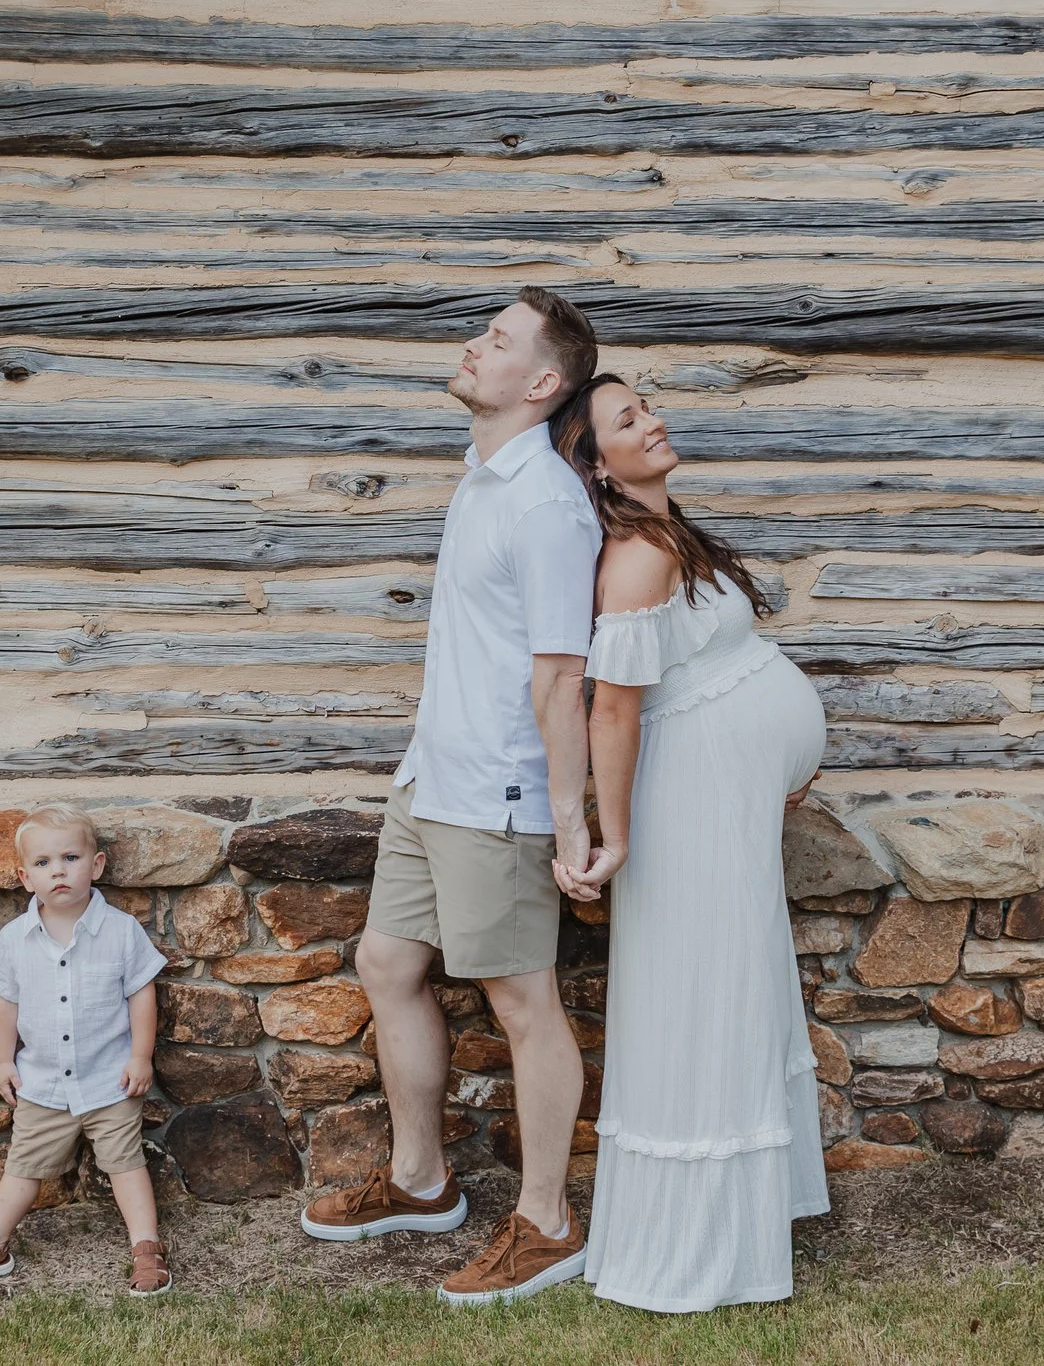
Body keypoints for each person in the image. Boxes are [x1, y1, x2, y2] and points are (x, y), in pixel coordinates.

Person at [301, 286, 606, 1307]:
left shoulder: (547, 505)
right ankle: (423, 1183)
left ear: (543, 381)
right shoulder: (481, 479)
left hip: (500, 794)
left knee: (523, 1004)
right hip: (432, 778)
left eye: (498, 340)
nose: (472, 347)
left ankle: (548, 1223)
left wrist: (567, 824)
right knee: (388, 961)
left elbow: (562, 676)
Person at [550, 373, 829, 1313]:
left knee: (739, 980)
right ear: (593, 462)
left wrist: (774, 750)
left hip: (728, 789)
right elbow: (614, 707)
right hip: (689, 798)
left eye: (647, 407)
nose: (653, 422)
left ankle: (754, 1207)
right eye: (628, 420)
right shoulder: (632, 557)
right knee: (704, 990)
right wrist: (613, 834)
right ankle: (698, 1241)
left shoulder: (668, 533)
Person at [0, 807, 173, 1297]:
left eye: (70, 857)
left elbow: (141, 995)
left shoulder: (121, 931)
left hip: (111, 1080)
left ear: (97, 865)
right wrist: (2, 1061)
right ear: (25, 877)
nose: (58, 870)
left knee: (125, 1163)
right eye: (43, 862)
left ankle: (147, 1248)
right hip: (42, 1083)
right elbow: (5, 1005)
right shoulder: (15, 940)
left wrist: (140, 1056)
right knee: (22, 1168)